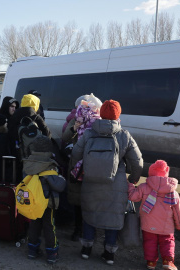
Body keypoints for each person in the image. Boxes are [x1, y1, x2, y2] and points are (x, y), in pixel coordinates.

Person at [71, 100, 143, 265]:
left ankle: (86, 249)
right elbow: (137, 162)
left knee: (90, 213)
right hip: (116, 183)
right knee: (113, 217)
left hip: (90, 181)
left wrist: (74, 171)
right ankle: (109, 253)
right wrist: (132, 179)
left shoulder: (89, 133)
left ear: (101, 114)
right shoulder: (124, 135)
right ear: (118, 115)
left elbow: (75, 153)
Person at [128, 160, 180, 270]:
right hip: (166, 226)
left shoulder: (144, 187)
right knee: (167, 241)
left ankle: (151, 263)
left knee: (149, 242)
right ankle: (168, 262)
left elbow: (133, 197)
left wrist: (131, 185)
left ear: (151, 173)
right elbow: (179, 211)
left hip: (148, 224)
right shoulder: (173, 192)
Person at [61, 96, 101, 241]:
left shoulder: (98, 121)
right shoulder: (77, 119)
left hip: (89, 162)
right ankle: (80, 230)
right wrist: (74, 127)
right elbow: (65, 137)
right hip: (80, 164)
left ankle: (87, 230)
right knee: (80, 198)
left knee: (88, 198)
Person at [24, 136, 66, 264]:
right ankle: (52, 253)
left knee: (34, 225)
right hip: (48, 201)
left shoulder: (28, 164)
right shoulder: (50, 165)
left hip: (32, 201)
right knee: (49, 226)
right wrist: (62, 179)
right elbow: (59, 186)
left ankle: (32, 250)